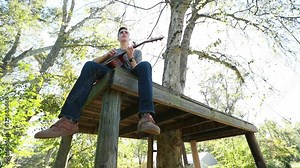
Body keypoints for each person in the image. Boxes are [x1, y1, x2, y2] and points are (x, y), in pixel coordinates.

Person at [34, 27, 160, 139]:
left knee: (146, 65)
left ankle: (146, 116)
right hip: (111, 72)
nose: (123, 33)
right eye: (121, 32)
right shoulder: (114, 51)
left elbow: (136, 69)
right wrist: (106, 56)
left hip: (129, 75)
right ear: (118, 37)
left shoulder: (136, 52)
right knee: (89, 66)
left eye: (126, 32)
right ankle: (68, 121)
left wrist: (131, 56)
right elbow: (94, 63)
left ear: (129, 36)